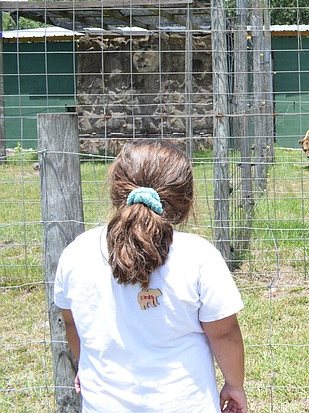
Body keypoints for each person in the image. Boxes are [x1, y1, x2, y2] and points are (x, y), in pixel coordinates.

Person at [53, 140, 248, 413]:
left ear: (116, 191)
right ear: (185, 200)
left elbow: (72, 325)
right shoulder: (199, 256)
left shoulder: (76, 253)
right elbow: (224, 332)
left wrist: (85, 365)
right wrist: (234, 385)